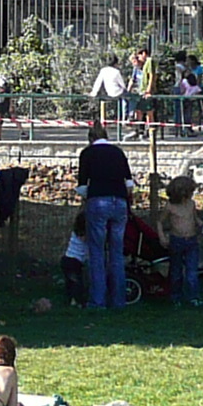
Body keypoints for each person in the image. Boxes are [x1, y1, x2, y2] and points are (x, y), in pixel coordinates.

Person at [75, 122, 132, 310]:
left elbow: (83, 186)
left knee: (97, 252)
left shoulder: (87, 153)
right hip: (120, 202)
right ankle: (119, 300)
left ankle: (98, 301)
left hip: (98, 201)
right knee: (116, 253)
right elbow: (130, 184)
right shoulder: (118, 152)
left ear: (90, 139)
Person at [153, 176, 203, 306]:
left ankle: (194, 297)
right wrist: (162, 236)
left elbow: (195, 219)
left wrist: (202, 223)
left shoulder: (191, 204)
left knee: (192, 271)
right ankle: (175, 296)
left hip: (191, 240)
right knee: (176, 271)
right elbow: (160, 221)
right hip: (176, 241)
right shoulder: (170, 207)